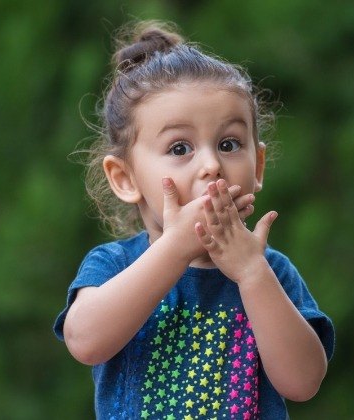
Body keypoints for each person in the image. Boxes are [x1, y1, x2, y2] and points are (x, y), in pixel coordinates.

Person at [54, 20, 335, 420]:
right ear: (125, 177)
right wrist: (174, 249)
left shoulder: (270, 271)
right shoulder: (114, 265)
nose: (211, 165)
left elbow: (303, 382)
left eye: (228, 144)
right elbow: (84, 342)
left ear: (257, 165)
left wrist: (252, 274)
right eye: (180, 147)